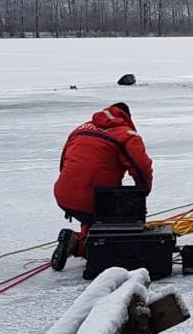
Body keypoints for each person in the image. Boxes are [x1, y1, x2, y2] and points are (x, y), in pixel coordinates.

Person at [50, 102, 154, 270]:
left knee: (93, 215)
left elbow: (64, 163)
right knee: (114, 240)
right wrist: (142, 192)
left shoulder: (81, 129)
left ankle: (82, 236)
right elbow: (142, 167)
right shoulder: (126, 134)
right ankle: (80, 244)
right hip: (95, 200)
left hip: (64, 194)